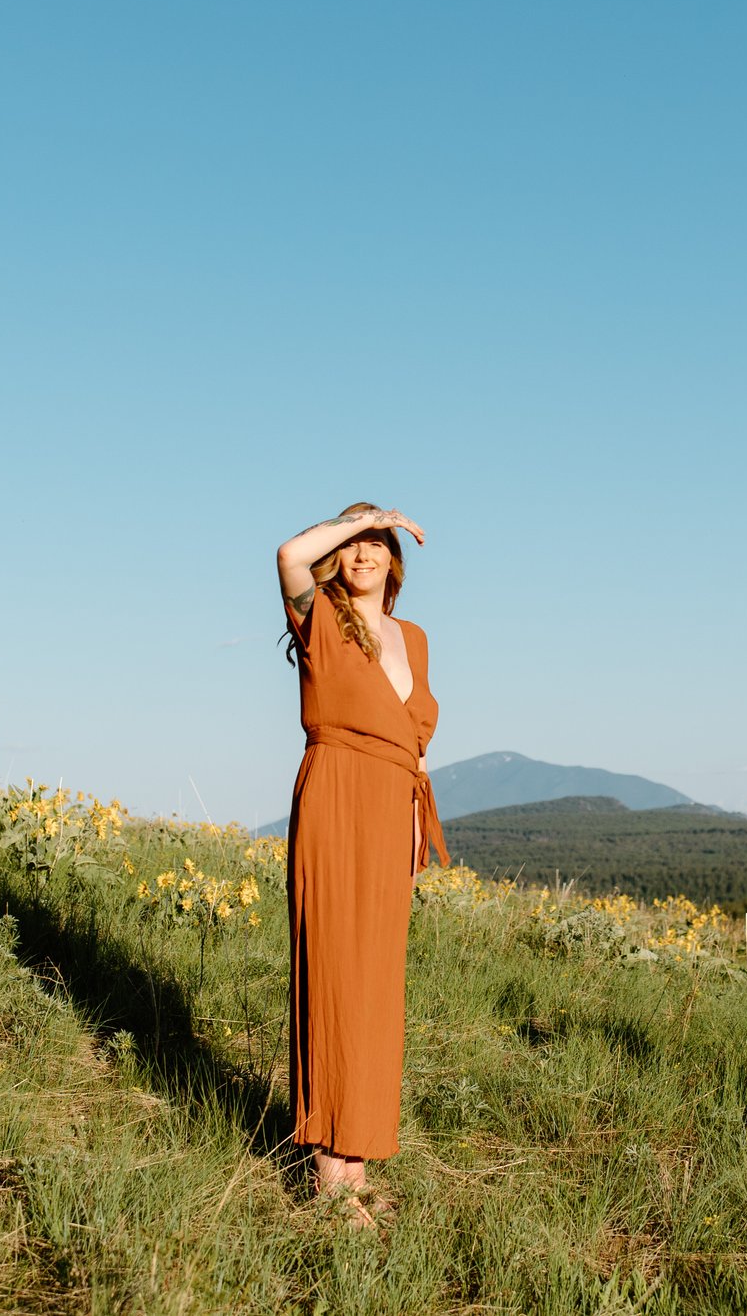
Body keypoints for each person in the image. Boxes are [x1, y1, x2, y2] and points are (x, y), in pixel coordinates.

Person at [275, 502, 445, 1225]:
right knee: (334, 974)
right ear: (338, 552)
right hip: (336, 797)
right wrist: (366, 513)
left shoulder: (416, 638)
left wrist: (412, 831)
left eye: (377, 540)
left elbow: (416, 749)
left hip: (390, 812)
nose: (366, 549)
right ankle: (327, 1177)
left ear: (395, 562)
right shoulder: (318, 619)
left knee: (376, 987)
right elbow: (287, 553)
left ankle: (358, 1157)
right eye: (353, 540)